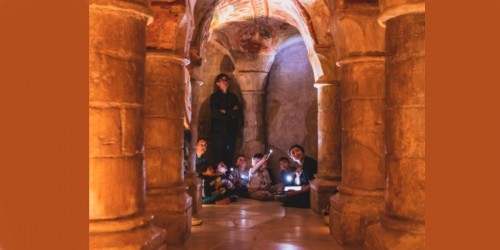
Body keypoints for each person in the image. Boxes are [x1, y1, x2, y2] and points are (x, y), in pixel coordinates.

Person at [210, 73, 241, 166]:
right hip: (218, 131)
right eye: (222, 80)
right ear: (217, 83)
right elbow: (215, 113)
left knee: (229, 155)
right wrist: (230, 112)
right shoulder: (214, 97)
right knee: (218, 156)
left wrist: (224, 111)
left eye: (226, 80)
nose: (225, 82)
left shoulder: (233, 97)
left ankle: (228, 178)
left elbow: (237, 113)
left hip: (230, 131)